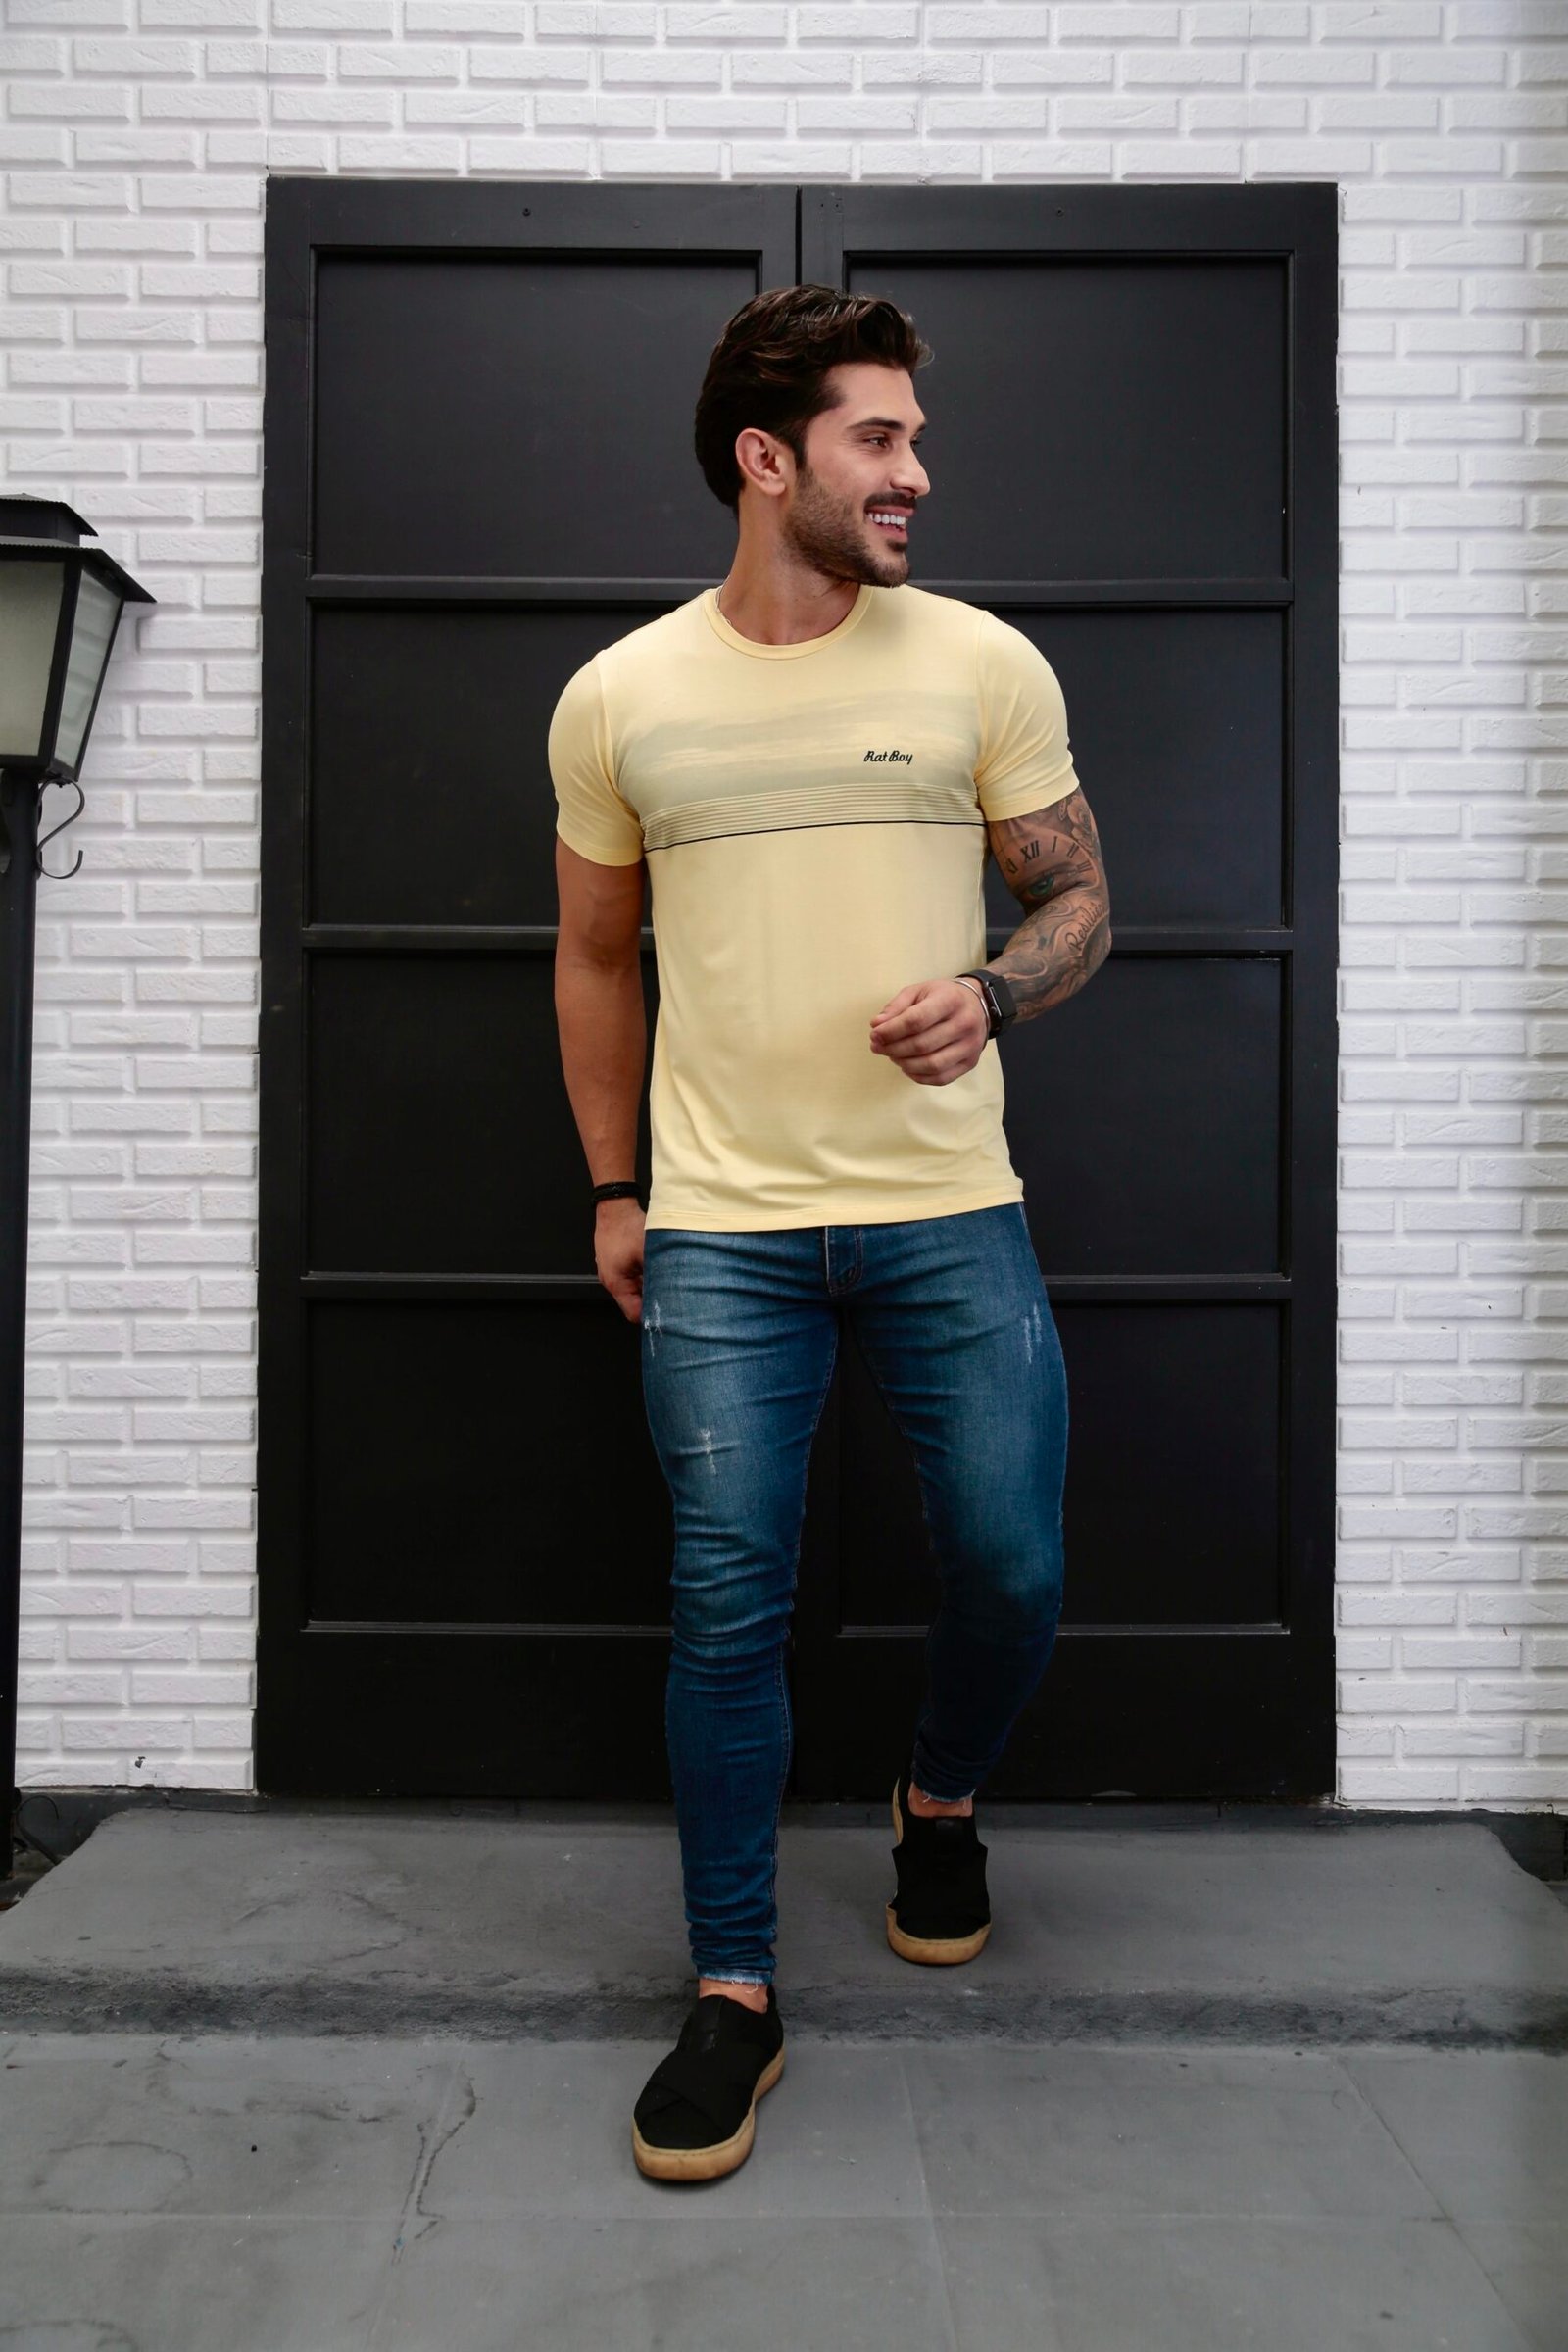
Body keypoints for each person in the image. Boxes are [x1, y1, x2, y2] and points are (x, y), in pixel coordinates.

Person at [549, 285, 1111, 2184]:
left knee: (1011, 1565)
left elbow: (1080, 899)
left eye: (913, 438)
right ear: (764, 458)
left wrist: (995, 992)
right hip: (722, 1229)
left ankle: (936, 1796)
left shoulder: (977, 665)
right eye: (878, 437)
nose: (915, 473)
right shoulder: (621, 698)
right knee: (727, 1601)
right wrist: (616, 1186)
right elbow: (595, 956)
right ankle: (733, 1992)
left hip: (948, 1210)